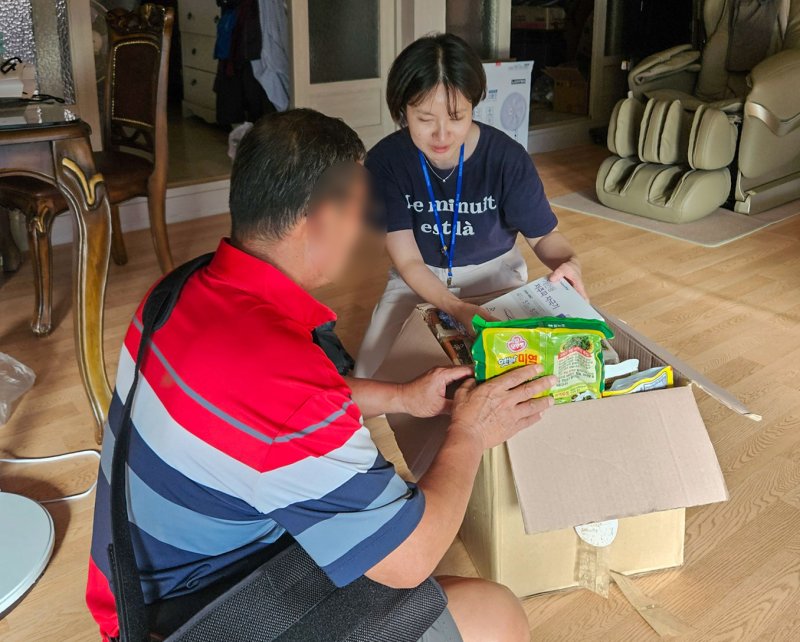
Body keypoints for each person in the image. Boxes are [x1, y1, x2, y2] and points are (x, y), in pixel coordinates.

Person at [86, 109, 555, 642]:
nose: (363, 231)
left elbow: (263, 417)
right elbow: (411, 558)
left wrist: (402, 396)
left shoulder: (179, 289)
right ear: (322, 219)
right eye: (359, 212)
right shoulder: (285, 384)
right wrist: (471, 431)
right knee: (495, 615)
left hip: (136, 584)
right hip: (199, 618)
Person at [355, 33, 586, 378]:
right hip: (417, 280)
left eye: (456, 116)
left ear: (473, 105)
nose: (442, 135)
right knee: (369, 376)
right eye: (424, 119)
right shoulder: (387, 162)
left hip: (496, 278)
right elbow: (408, 261)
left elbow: (544, 236)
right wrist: (455, 306)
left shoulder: (506, 158)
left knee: (516, 373)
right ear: (403, 110)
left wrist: (570, 262)